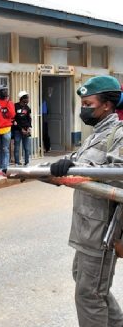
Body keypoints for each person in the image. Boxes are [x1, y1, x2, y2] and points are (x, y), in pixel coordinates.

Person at [50, 75, 123, 327]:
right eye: (82, 103)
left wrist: (77, 167)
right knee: (85, 281)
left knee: (89, 295)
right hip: (85, 225)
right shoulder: (96, 134)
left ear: (106, 105)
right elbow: (77, 160)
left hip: (102, 228)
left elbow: (118, 177)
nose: (83, 109)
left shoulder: (119, 135)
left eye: (88, 104)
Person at [0, 88, 16, 174]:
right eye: (3, 91)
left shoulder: (9, 103)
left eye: (6, 91)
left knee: (5, 149)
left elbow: (12, 115)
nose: (5, 93)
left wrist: (8, 104)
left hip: (6, 129)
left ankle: (5, 167)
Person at [13, 91, 32, 166]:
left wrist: (29, 128)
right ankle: (17, 162)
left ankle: (26, 162)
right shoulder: (15, 106)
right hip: (17, 130)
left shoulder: (27, 108)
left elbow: (29, 119)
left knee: (26, 148)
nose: (28, 100)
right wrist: (21, 129)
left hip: (26, 130)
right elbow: (14, 120)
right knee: (17, 147)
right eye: (27, 98)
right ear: (22, 98)